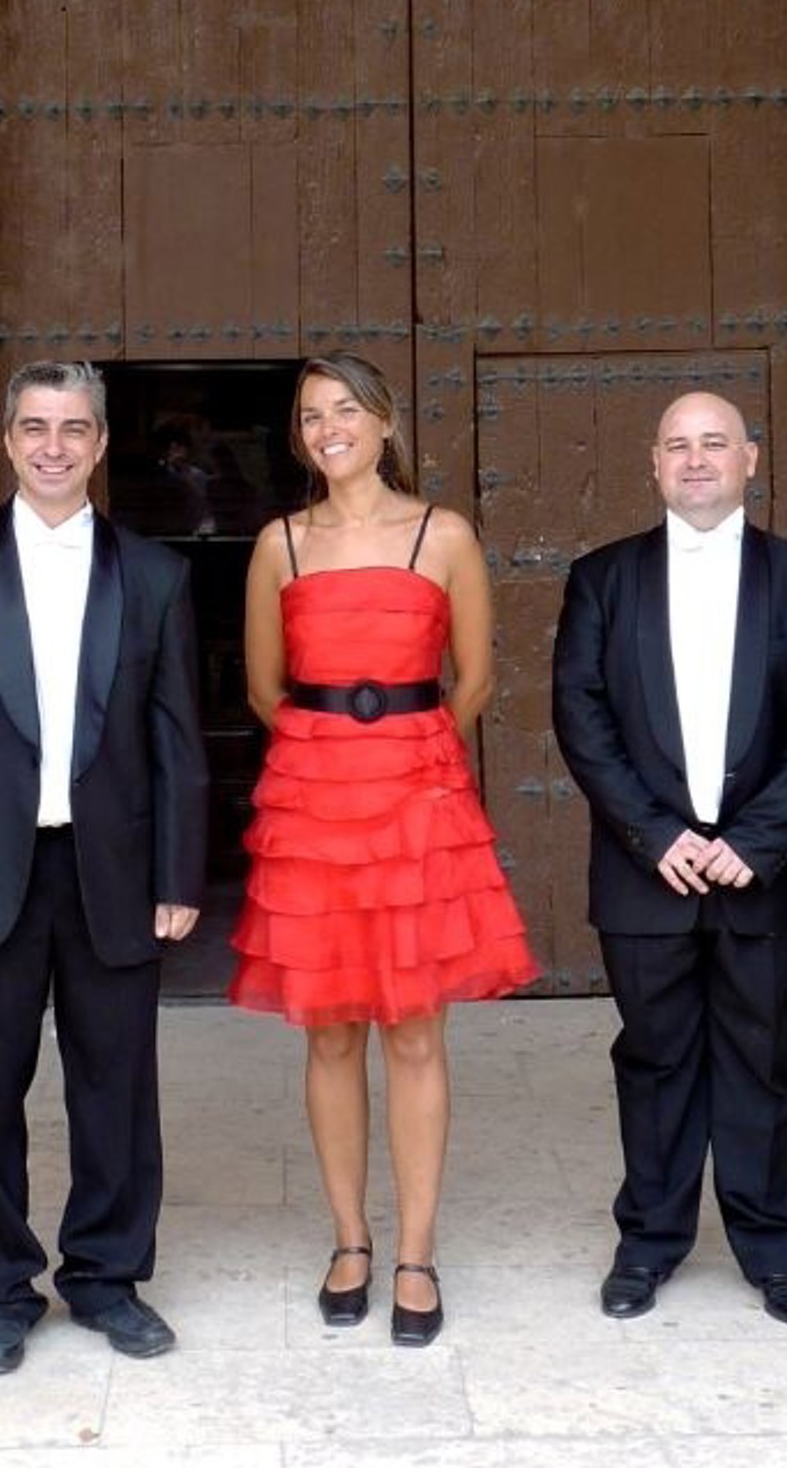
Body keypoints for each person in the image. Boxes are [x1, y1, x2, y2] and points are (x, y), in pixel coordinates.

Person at [0, 360, 208, 1374]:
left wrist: (179, 874)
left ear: (100, 444)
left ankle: (108, 1275)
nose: (53, 446)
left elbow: (177, 739)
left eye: (73, 429)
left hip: (114, 869)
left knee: (117, 1086)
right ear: (7, 439)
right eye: (34, 427)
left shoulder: (154, 573)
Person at [228, 353, 539, 1347]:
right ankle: (350, 1240)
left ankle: (416, 1251)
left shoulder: (444, 534)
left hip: (416, 803)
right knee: (329, 1032)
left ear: (387, 420)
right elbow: (263, 689)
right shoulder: (278, 543)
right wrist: (332, 756)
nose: (329, 429)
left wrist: (409, 755)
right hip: (315, 805)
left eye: (346, 410)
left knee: (414, 1031)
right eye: (311, 415)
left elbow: (476, 678)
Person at [552, 391, 787, 1328]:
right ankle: (649, 1242)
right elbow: (581, 716)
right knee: (654, 1060)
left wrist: (756, 841)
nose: (695, 459)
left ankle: (771, 1250)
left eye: (714, 442)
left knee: (761, 1063)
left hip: (765, 873)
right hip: (646, 872)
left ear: (750, 458)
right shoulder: (602, 578)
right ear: (653, 462)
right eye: (677, 444)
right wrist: (656, 834)